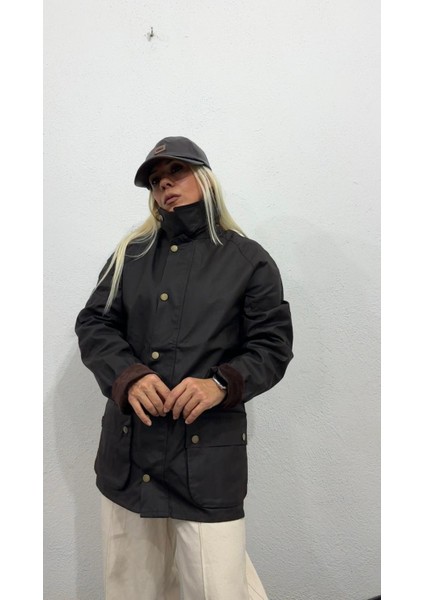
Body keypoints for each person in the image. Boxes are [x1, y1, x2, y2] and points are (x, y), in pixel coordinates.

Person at [75, 136, 294, 600]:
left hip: (205, 459)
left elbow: (272, 346)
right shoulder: (131, 255)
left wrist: (221, 384)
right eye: (156, 181)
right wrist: (128, 376)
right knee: (131, 591)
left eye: (176, 172)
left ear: (206, 178)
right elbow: (94, 324)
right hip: (130, 456)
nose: (165, 185)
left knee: (219, 590)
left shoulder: (248, 260)